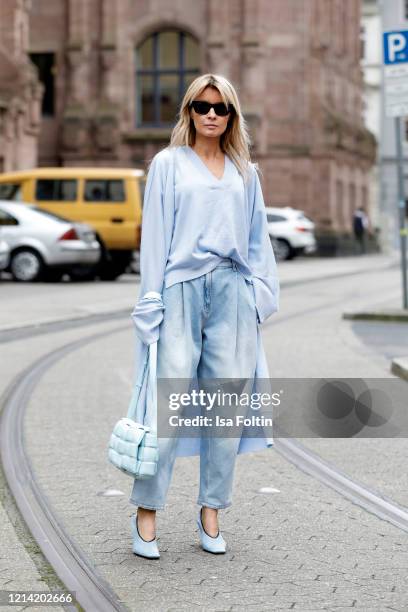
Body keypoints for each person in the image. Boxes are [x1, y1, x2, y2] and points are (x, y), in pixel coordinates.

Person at [128, 73, 280, 558]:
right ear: (188, 111)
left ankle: (211, 511)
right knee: (167, 405)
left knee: (226, 408)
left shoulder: (245, 172)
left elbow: (258, 242)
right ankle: (147, 512)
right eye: (202, 106)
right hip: (181, 290)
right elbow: (155, 235)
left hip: (233, 291)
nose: (211, 114)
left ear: (232, 116)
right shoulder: (168, 165)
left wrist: (258, 297)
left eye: (221, 108)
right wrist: (151, 299)